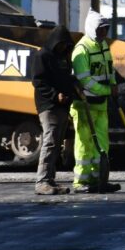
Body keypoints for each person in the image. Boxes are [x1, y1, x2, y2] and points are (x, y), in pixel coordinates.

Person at [70, 10, 120, 194]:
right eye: (101, 29)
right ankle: (81, 181)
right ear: (92, 28)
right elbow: (86, 81)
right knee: (85, 144)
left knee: (101, 143)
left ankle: (99, 178)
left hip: (101, 103)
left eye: (106, 29)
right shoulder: (82, 49)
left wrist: (113, 85)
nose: (104, 33)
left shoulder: (103, 46)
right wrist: (108, 90)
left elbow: (109, 69)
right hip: (84, 105)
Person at [31, 25, 76, 195]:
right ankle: (42, 181)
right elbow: (38, 81)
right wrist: (55, 95)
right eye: (61, 44)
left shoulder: (63, 58)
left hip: (62, 106)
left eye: (66, 45)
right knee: (50, 142)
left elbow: (66, 78)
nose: (63, 47)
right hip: (48, 106)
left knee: (56, 144)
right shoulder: (43, 56)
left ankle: (49, 180)